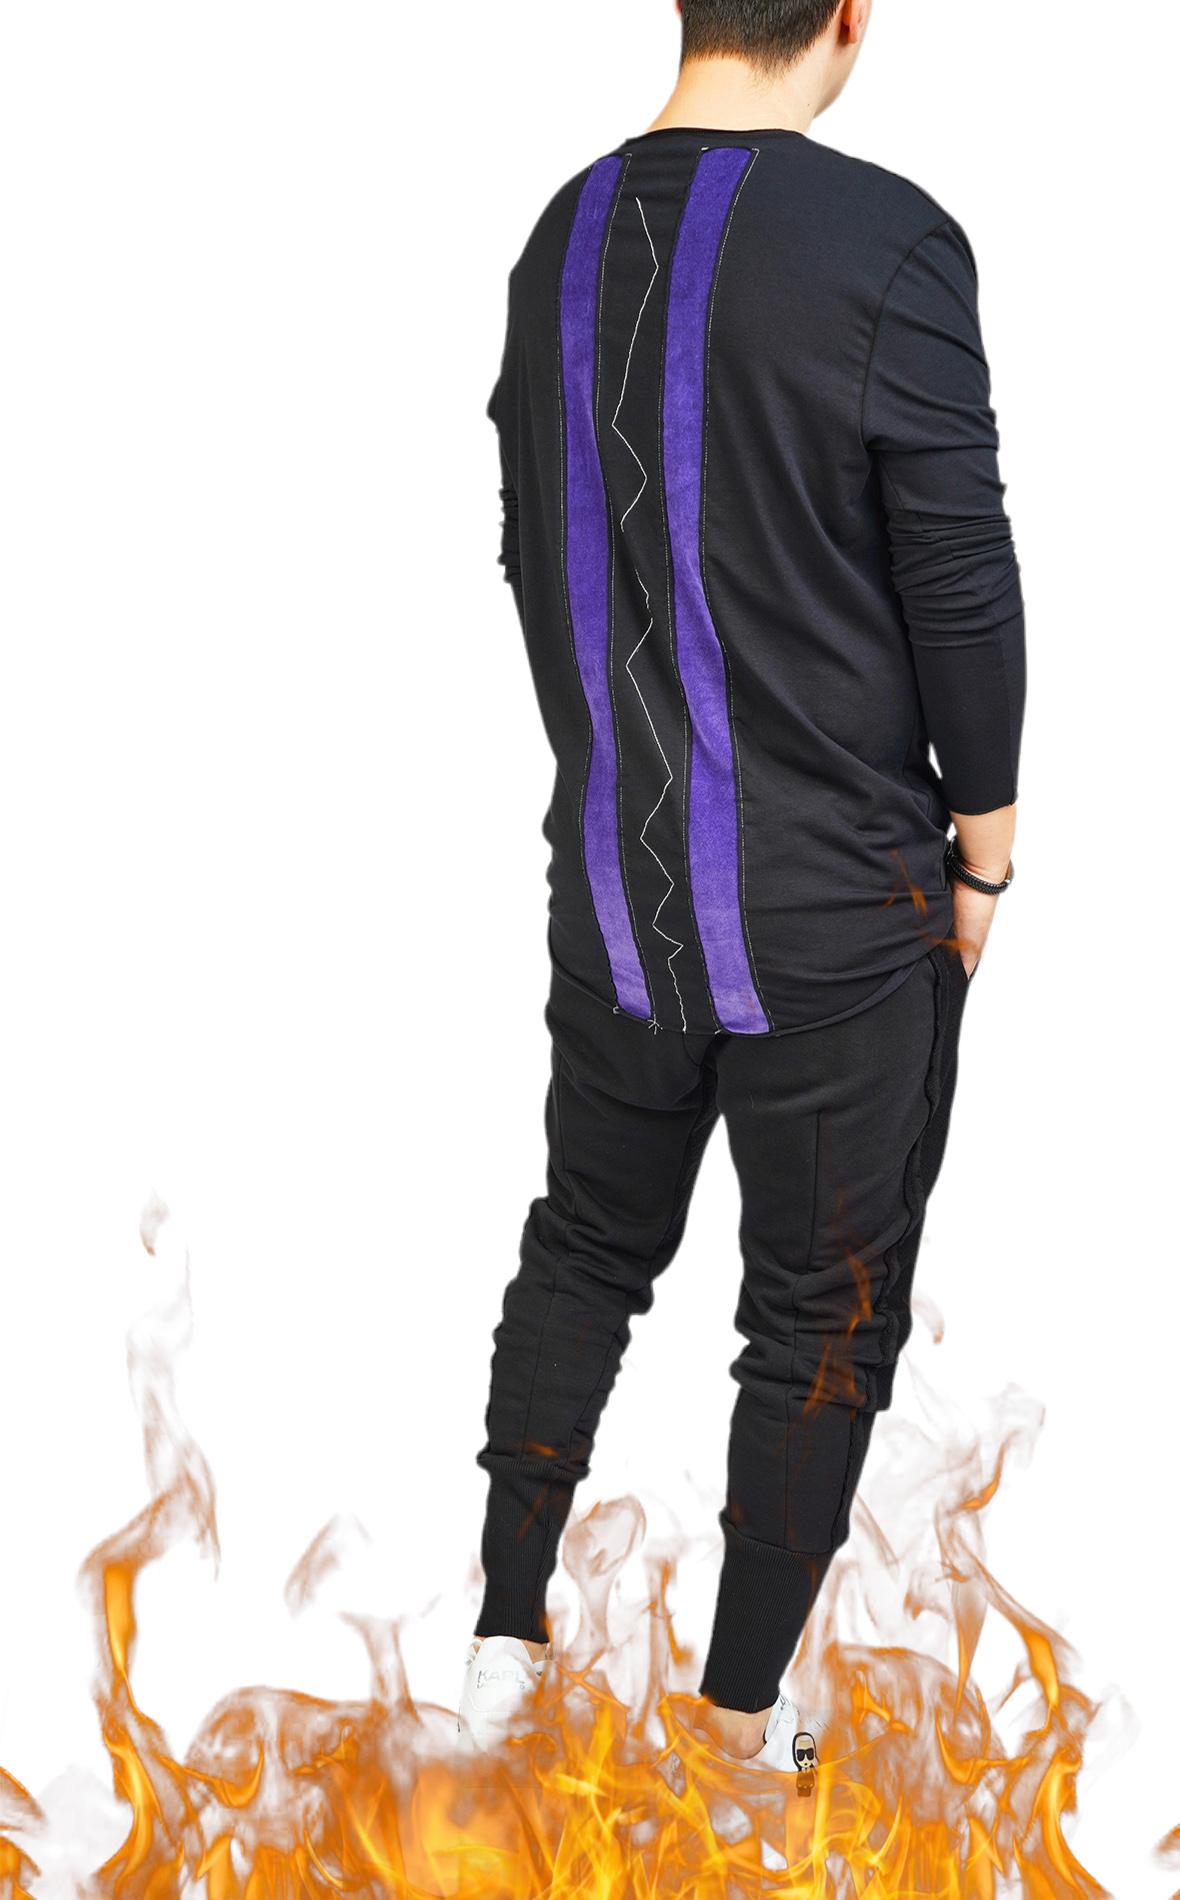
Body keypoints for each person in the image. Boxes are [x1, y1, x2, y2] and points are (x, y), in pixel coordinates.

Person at [458, 0, 1025, 1770]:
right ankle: (733, 1734)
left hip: (613, 895)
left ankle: (499, 1654)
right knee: (816, 1320)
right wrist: (986, 850)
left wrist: (620, 767)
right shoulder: (887, 244)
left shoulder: (556, 237)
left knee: (583, 1246)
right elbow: (961, 581)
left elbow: (530, 548)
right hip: (841, 918)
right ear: (845, 14)